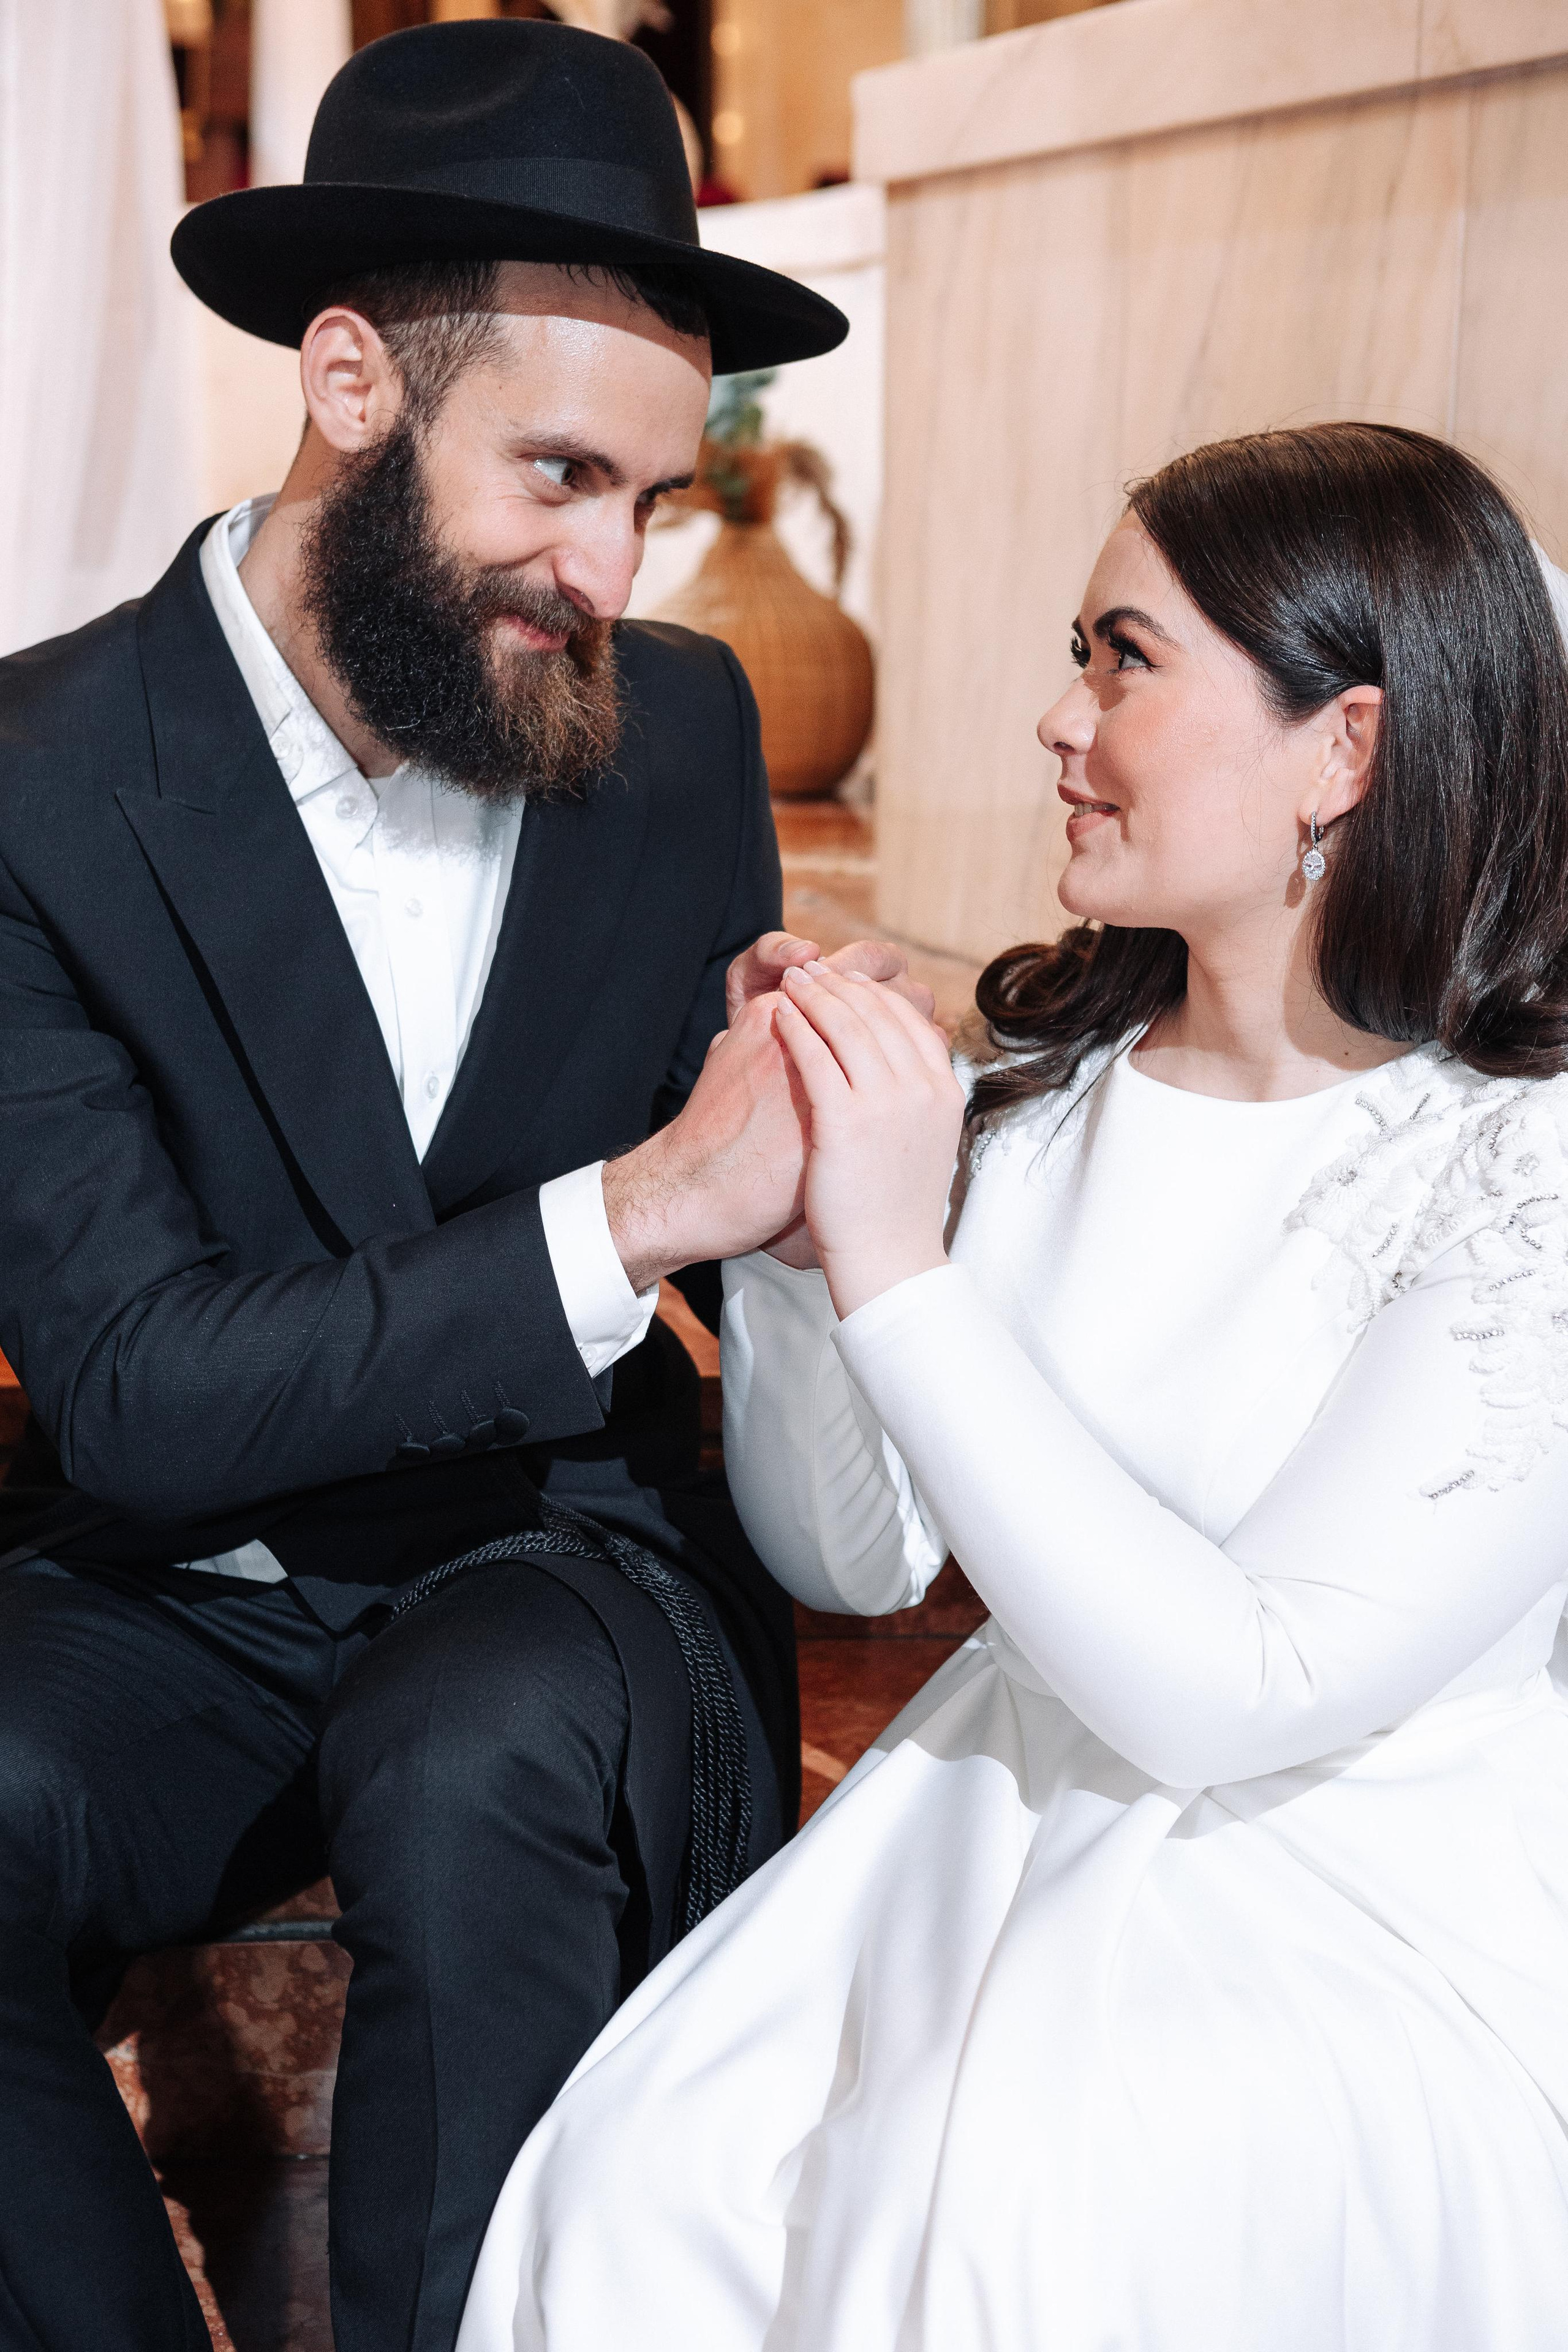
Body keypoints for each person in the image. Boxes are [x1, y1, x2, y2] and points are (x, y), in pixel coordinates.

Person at [0, 21, 929, 2352]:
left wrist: (805, 1151)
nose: (609, 571)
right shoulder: (34, 776)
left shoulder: (686, 724)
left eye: (653, 500)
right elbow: (130, 1389)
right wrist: (644, 1206)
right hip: (178, 1574)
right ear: (346, 383)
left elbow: (757, 1232)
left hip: (553, 1552)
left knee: (470, 1753)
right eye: (559, 474)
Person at [459, 421, 1568, 2352]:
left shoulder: (1518, 1168)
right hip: (975, 1822)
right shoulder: (1049, 1105)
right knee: (652, 2176)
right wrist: (802, 1245)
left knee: (1031, 2219)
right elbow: (858, 1561)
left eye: (1126, 661)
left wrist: (901, 1271)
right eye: (1079, 653)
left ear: (1346, 748)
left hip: (1354, 1887)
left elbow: (1245, 1695)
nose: (1060, 719)